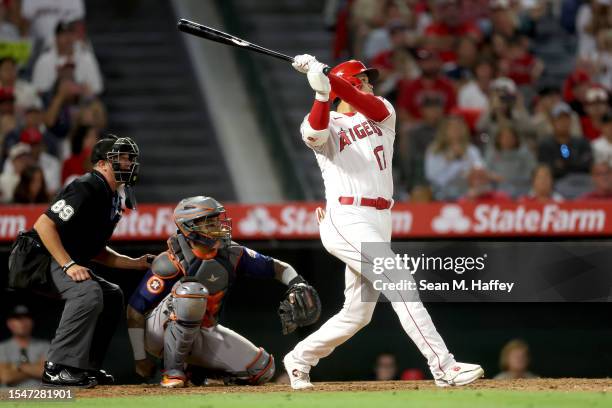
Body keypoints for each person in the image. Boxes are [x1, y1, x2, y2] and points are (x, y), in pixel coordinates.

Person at [284, 55, 483, 390]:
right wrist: (321, 92)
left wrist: (328, 78)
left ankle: (299, 358)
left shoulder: (382, 112)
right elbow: (316, 134)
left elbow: (368, 104)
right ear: (346, 86)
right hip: (346, 217)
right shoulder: (325, 121)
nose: (369, 83)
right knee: (399, 280)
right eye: (362, 79)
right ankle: (444, 367)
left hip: (379, 218)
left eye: (366, 79)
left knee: (357, 314)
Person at [126, 196, 321, 388]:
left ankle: (195, 371)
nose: (218, 226)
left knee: (261, 369)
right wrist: (139, 358)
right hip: (159, 333)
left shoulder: (232, 253)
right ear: (188, 227)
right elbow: (135, 310)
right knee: (191, 292)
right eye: (208, 222)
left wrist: (297, 283)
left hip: (203, 329)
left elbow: (276, 267)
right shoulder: (170, 261)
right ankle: (172, 371)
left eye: (216, 220)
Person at [9, 135, 153, 388]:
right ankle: (57, 367)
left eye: (130, 158)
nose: (128, 163)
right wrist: (69, 265)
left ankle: (84, 367)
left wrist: (136, 262)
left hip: (58, 257)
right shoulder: (87, 185)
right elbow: (44, 225)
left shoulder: (113, 197)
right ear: (101, 163)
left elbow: (96, 250)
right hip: (36, 258)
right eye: (121, 157)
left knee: (111, 294)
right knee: (88, 292)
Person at [425, 115, 484, 201]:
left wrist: (466, 161)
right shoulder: (435, 150)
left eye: (459, 128)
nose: (456, 131)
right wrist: (450, 161)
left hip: (468, 190)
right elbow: (431, 176)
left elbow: (480, 169)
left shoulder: (471, 150)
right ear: (444, 131)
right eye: (452, 128)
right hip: (441, 191)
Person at [0, 305, 49, 388]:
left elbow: (48, 374)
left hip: (39, 398)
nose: (22, 322)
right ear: (9, 323)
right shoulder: (2, 347)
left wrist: (17, 366)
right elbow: (6, 377)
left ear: (32, 322)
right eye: (17, 318)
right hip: (10, 398)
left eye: (26, 317)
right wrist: (35, 367)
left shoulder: (45, 346)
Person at [484, 125, 536, 198]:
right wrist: (494, 177)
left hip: (522, 190)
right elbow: (486, 172)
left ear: (516, 139)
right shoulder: (492, 155)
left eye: (510, 137)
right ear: (498, 139)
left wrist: (511, 179)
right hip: (497, 191)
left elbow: (532, 173)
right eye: (504, 137)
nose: (507, 140)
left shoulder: (525, 155)